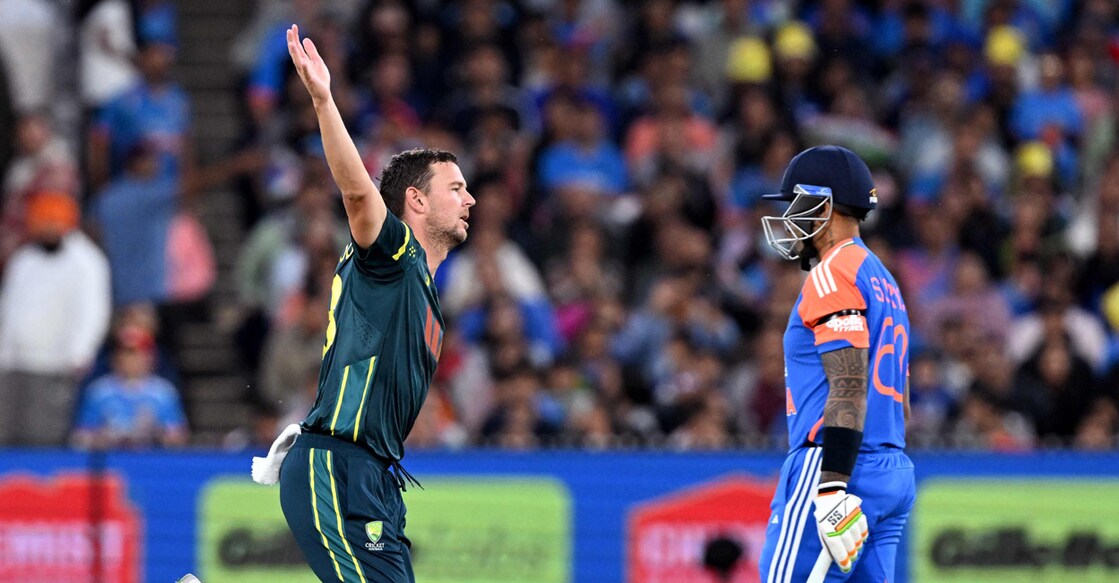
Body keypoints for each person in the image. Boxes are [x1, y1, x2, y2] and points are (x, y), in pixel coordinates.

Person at [251, 25, 475, 583]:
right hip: (339, 464)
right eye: (456, 187)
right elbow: (356, 195)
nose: (470, 198)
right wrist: (325, 101)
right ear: (415, 200)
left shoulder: (422, 291)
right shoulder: (395, 254)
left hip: (372, 476)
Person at [756, 146, 914, 582]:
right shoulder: (882, 277)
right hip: (890, 468)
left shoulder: (833, 272)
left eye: (796, 205)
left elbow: (848, 385)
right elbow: (899, 400)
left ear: (822, 204)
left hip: (839, 466)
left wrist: (831, 486)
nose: (790, 219)